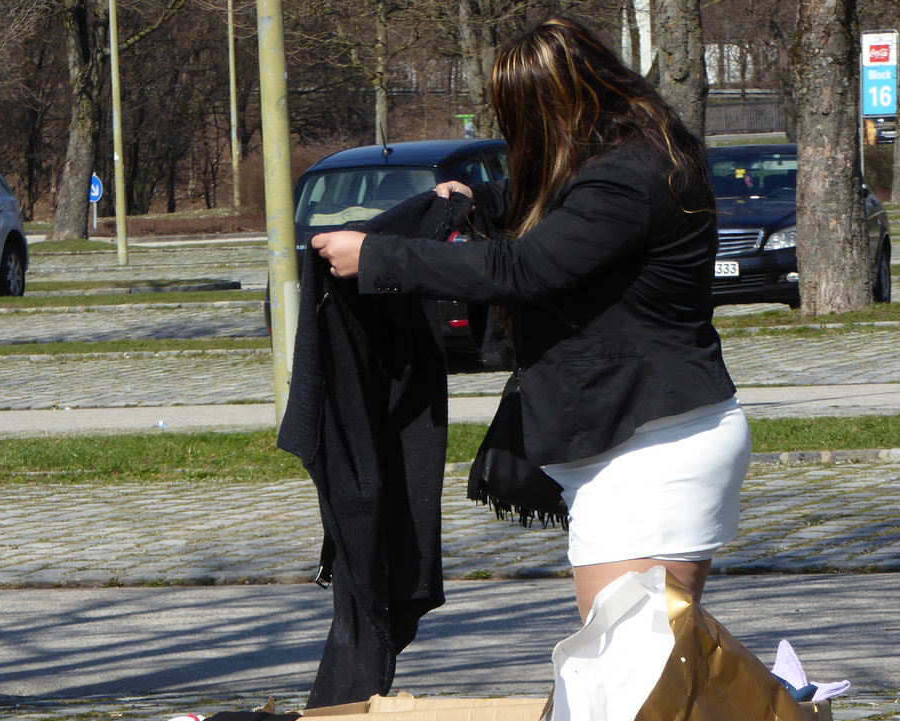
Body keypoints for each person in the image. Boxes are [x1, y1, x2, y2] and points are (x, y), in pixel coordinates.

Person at [311, 15, 751, 621]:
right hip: (647, 439)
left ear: (555, 108)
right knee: (648, 674)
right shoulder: (631, 162)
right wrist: (473, 201)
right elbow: (547, 214)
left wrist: (379, 257)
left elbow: (525, 268)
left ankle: (778, 714)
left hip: (650, 450)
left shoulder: (627, 178)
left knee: (630, 672)